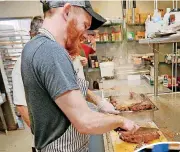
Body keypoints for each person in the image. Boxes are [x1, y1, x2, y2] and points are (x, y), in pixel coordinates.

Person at [21, 1, 139, 151]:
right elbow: (85, 122)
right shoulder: (51, 52)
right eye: (85, 25)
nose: (85, 35)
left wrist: (99, 102)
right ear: (67, 11)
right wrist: (121, 121)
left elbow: (68, 85)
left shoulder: (34, 46)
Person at [12, 16, 44, 152]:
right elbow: (21, 106)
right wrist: (41, 135)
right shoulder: (21, 65)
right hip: (43, 138)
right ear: (31, 35)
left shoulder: (48, 59)